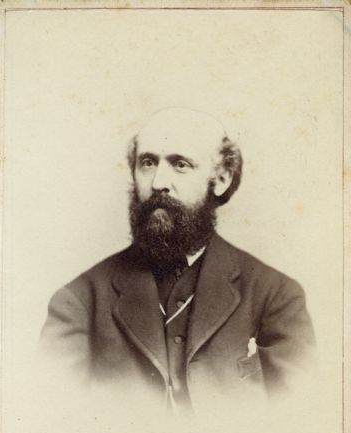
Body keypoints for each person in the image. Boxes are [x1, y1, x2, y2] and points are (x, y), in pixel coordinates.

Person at [40, 107, 315, 413]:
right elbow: (57, 427)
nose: (158, 182)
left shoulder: (274, 297)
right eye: (147, 163)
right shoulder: (78, 303)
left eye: (180, 165)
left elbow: (296, 428)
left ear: (221, 179)